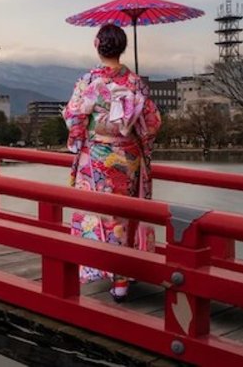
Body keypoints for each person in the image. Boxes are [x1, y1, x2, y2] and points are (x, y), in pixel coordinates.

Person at [63, 23, 161, 301]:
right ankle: (122, 280)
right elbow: (152, 124)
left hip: (95, 157)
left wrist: (82, 136)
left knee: (99, 213)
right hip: (127, 156)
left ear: (97, 44)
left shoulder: (87, 81)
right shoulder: (135, 82)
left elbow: (73, 117)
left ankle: (97, 269)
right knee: (125, 214)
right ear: (123, 47)